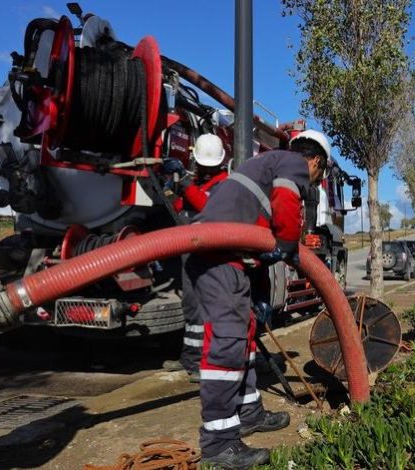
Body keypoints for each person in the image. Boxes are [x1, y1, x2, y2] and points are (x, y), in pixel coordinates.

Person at [184, 130, 330, 469]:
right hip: (218, 259)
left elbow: (260, 244)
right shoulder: (293, 162)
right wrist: (290, 242)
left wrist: (262, 296)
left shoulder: (265, 165)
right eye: (318, 178)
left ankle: (248, 413)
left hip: (229, 259)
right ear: (316, 161)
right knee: (228, 345)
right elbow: (285, 203)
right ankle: (219, 444)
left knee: (245, 338)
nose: (313, 184)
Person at [161, 133, 230, 382]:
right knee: (191, 309)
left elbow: (205, 207)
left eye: (208, 166)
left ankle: (205, 363)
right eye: (202, 166)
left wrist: (186, 185)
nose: (205, 170)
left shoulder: (225, 185)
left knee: (207, 310)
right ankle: (190, 359)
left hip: (210, 257)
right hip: (190, 255)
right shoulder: (198, 184)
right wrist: (169, 191)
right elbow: (183, 209)